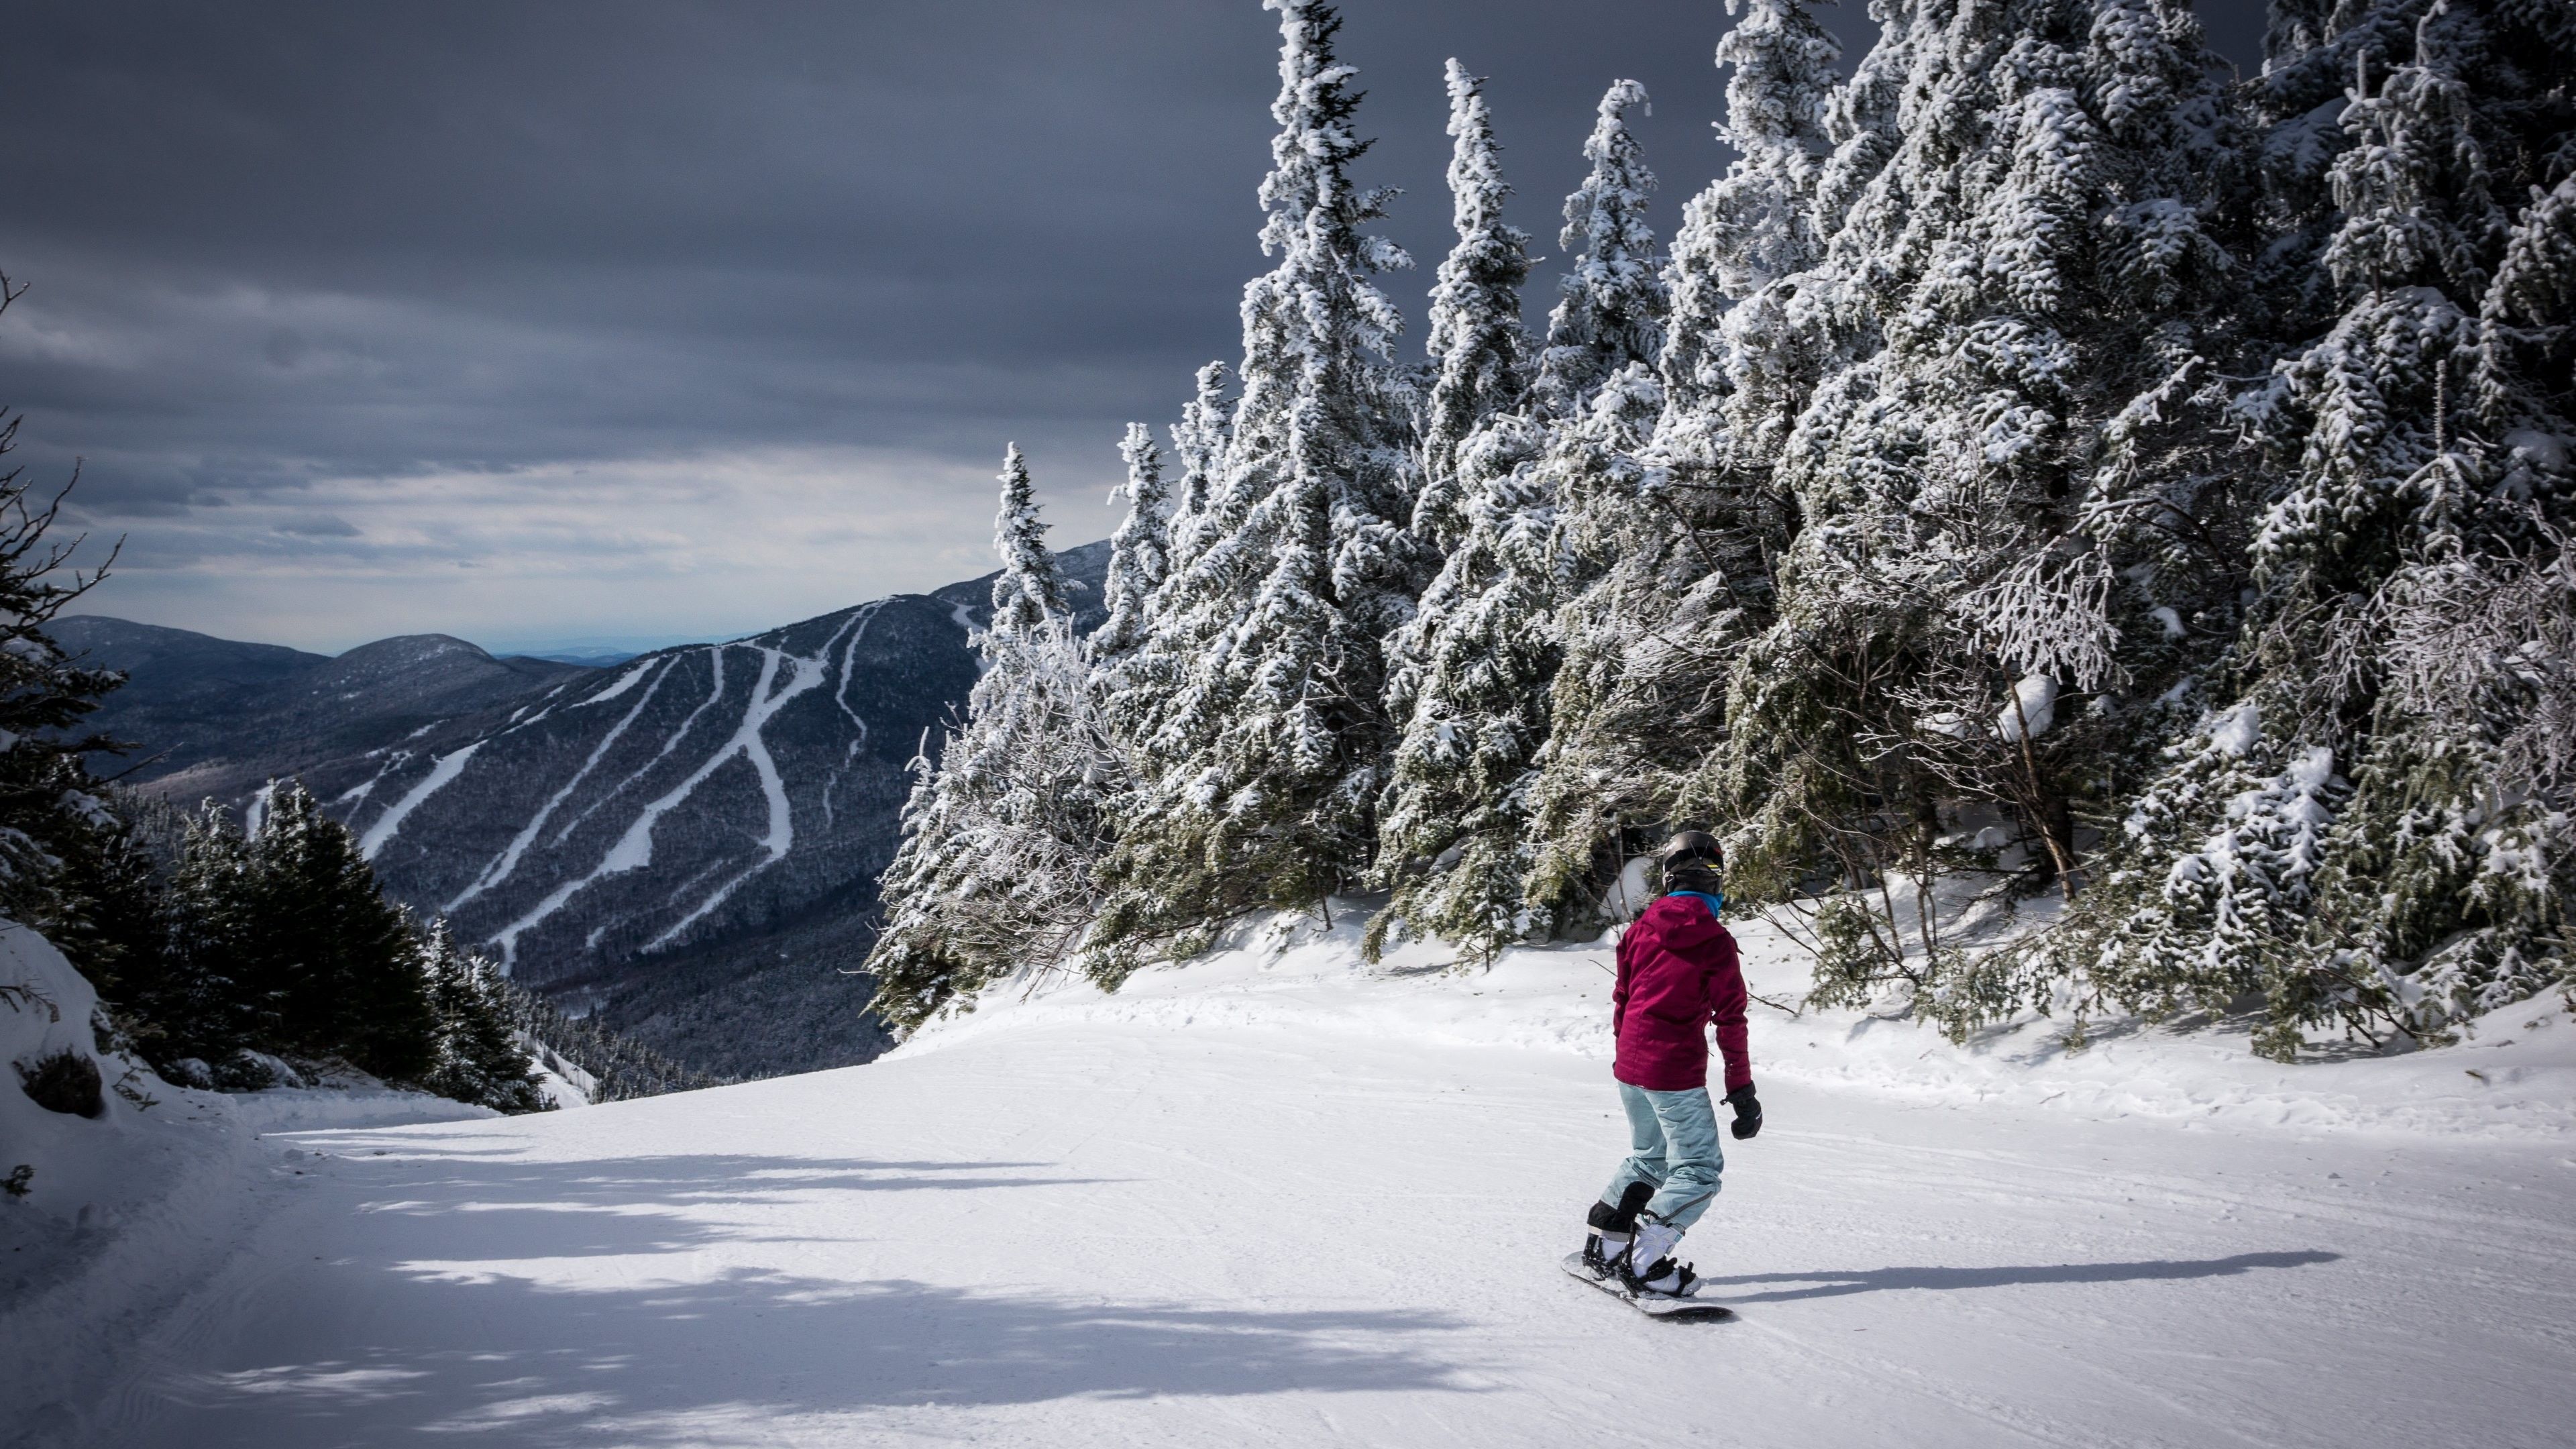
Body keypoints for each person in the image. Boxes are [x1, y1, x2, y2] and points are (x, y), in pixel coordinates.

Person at [1578, 830, 1761, 1298]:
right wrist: (1741, 1089)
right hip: (1673, 1071)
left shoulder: (1640, 930)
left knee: (1649, 1158)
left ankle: (1604, 1243)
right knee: (1699, 1170)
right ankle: (1644, 1261)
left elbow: (1622, 997)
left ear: (1668, 880)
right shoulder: (1716, 942)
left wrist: (1630, 1054)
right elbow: (1731, 1019)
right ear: (1716, 885)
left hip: (1632, 1065)